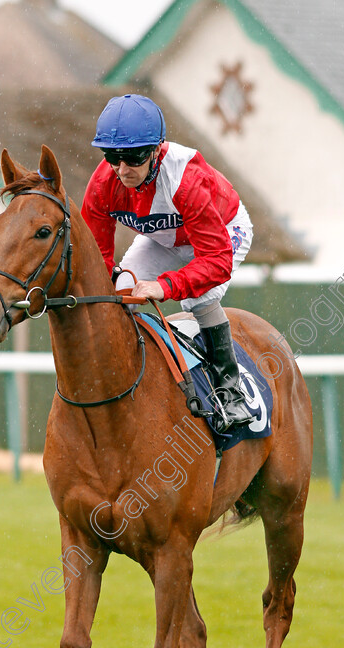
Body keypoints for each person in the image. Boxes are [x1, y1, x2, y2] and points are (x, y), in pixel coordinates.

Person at [82, 93, 253, 429]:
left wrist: (165, 286)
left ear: (157, 150)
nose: (122, 169)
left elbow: (216, 262)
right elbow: (98, 258)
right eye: (112, 156)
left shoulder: (186, 182)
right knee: (121, 293)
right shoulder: (103, 184)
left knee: (199, 297)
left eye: (132, 157)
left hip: (222, 232)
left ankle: (230, 393)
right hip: (164, 238)